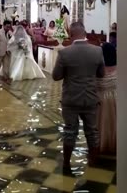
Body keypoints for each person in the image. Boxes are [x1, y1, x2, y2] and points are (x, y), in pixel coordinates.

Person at [52, 21, 105, 171]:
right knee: (92, 131)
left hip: (71, 99)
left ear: (70, 34)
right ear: (85, 32)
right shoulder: (97, 51)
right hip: (90, 98)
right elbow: (101, 74)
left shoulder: (64, 53)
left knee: (70, 131)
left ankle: (66, 163)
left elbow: (56, 76)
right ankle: (93, 163)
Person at [98, 42, 117, 154]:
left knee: (102, 123)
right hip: (116, 97)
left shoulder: (97, 68)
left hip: (101, 99)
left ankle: (101, 144)